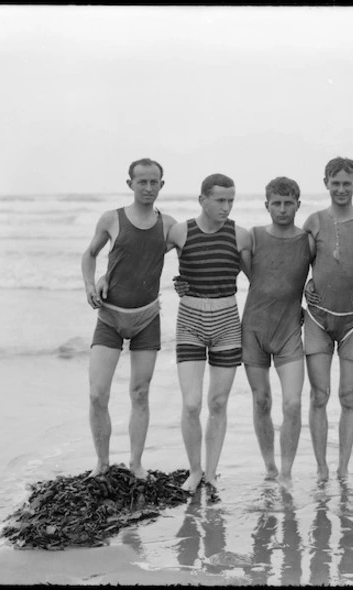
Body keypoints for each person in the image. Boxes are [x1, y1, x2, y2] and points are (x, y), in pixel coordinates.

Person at [81, 157, 177, 480]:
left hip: (147, 319)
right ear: (130, 184)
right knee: (97, 394)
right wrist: (91, 283)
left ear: (161, 185)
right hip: (110, 317)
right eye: (142, 182)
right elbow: (89, 255)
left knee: (140, 392)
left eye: (154, 182)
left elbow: (187, 256)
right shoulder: (112, 219)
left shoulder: (168, 226)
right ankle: (103, 463)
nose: (148, 188)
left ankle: (136, 464)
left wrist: (186, 284)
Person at [165, 173, 252, 500]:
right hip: (189, 320)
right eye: (220, 200)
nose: (226, 207)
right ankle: (194, 470)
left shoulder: (240, 236)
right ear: (202, 199)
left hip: (228, 322)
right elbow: (141, 260)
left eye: (231, 200)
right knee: (190, 403)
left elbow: (261, 281)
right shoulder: (181, 232)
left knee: (217, 402)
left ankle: (211, 473)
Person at [302, 156, 353, 481]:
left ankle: (343, 468)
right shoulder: (315, 221)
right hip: (318, 319)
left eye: (347, 183)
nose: (341, 189)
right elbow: (300, 262)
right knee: (319, 395)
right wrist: (306, 284)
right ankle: (321, 468)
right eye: (335, 183)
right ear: (326, 184)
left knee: (349, 396)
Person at [239, 177, 314, 483]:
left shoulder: (307, 241)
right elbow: (225, 268)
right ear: (266, 205)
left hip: (289, 332)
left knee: (293, 403)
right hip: (254, 329)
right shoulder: (253, 237)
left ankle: (286, 471)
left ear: (298, 204)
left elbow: (330, 274)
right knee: (261, 400)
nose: (282, 209)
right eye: (276, 203)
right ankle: (269, 466)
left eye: (288, 203)